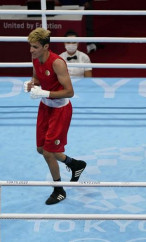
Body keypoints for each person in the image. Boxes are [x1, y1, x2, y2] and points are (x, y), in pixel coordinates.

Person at [24, 27, 87, 205]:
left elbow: (69, 92)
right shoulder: (35, 58)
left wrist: (45, 93)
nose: (31, 50)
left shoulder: (57, 63)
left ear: (46, 47)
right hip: (45, 107)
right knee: (41, 149)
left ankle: (58, 190)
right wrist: (31, 85)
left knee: (48, 152)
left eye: (35, 47)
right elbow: (36, 78)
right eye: (30, 46)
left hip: (60, 110)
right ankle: (75, 164)